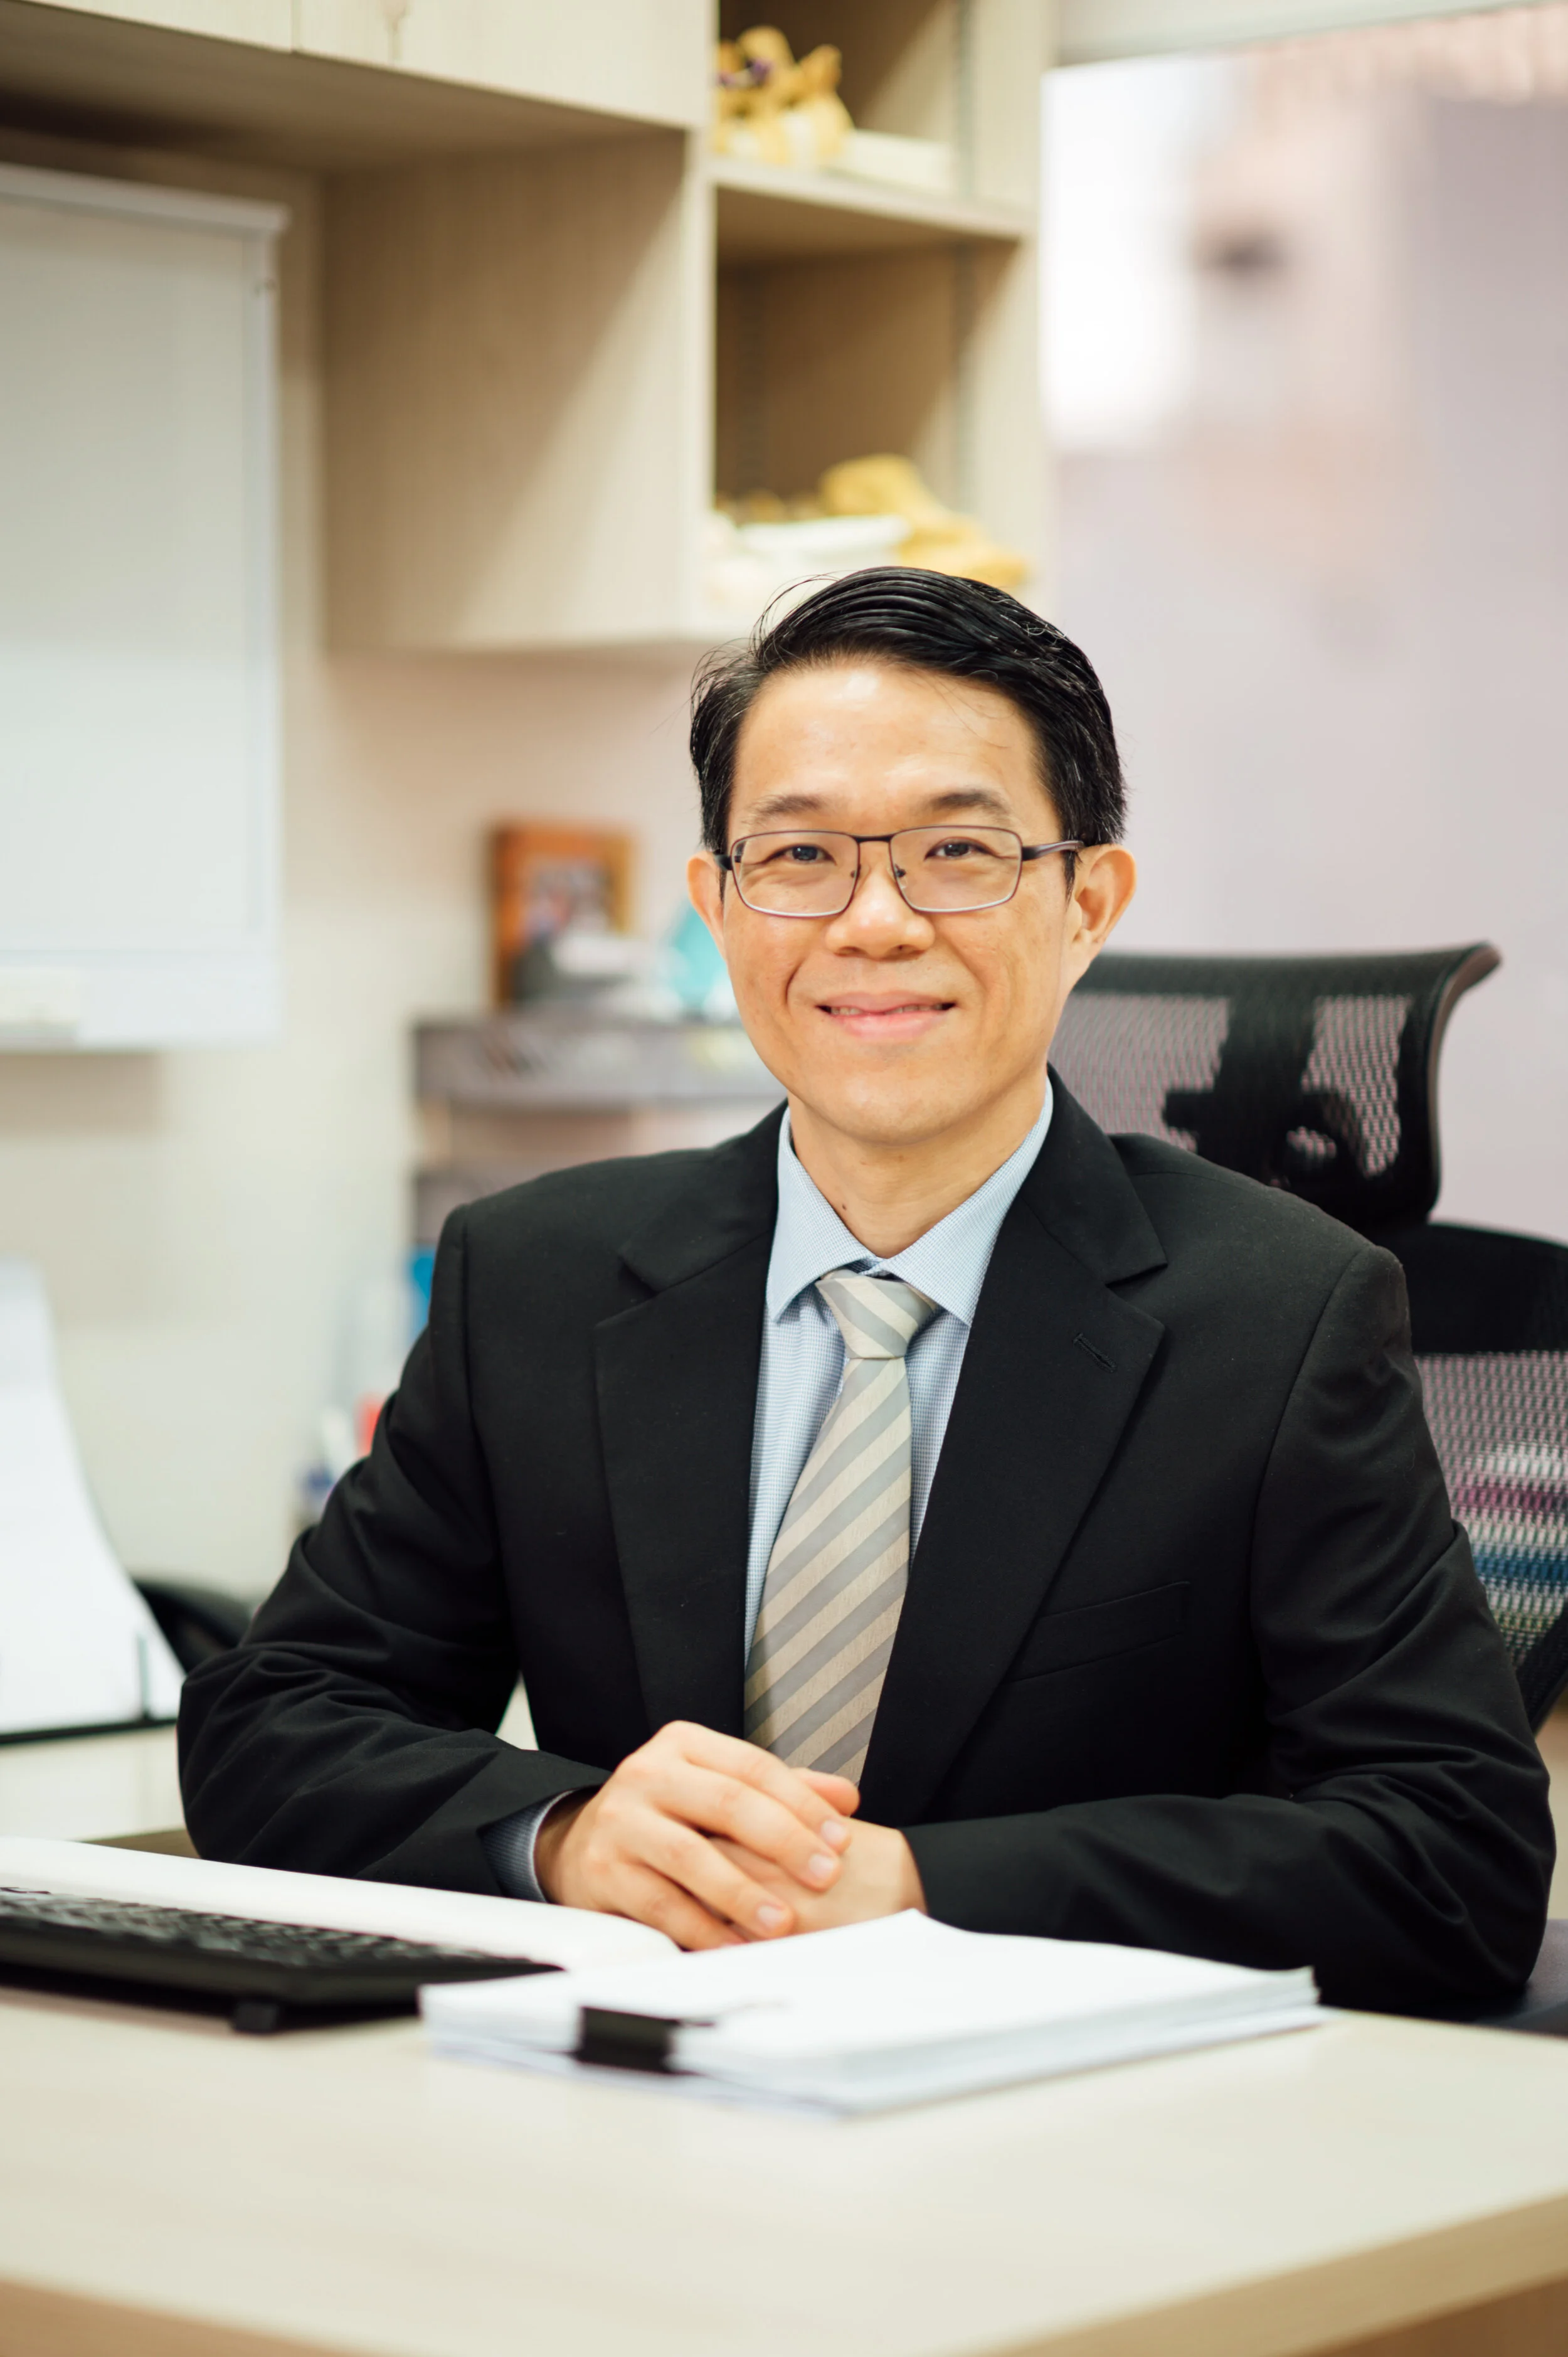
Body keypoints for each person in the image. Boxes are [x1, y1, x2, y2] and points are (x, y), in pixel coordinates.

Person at [180, 569, 1553, 2011]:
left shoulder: (1283, 1319)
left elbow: (1448, 1859)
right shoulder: (535, 1278)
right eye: (798, 857)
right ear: (718, 907)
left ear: (1086, 902)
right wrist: (565, 1837)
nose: (874, 921)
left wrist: (912, 1888)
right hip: (633, 2086)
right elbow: (274, 1723)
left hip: (1071, 2099)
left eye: (956, 851)